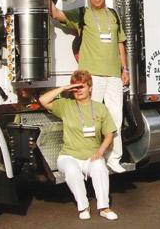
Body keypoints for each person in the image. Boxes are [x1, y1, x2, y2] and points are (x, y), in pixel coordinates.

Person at [45, 0, 130, 173]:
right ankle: (88, 159)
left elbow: (120, 44)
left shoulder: (114, 15)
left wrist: (124, 70)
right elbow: (56, 14)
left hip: (114, 76)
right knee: (91, 118)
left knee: (115, 117)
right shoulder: (83, 14)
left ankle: (113, 158)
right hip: (92, 76)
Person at [39, 70, 119, 221]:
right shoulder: (65, 105)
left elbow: (109, 134)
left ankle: (104, 207)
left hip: (91, 156)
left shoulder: (100, 108)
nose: (78, 90)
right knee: (71, 169)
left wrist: (100, 152)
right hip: (69, 155)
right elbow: (43, 100)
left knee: (100, 167)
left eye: (81, 86)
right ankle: (83, 207)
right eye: (75, 87)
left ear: (90, 87)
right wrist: (64, 88)